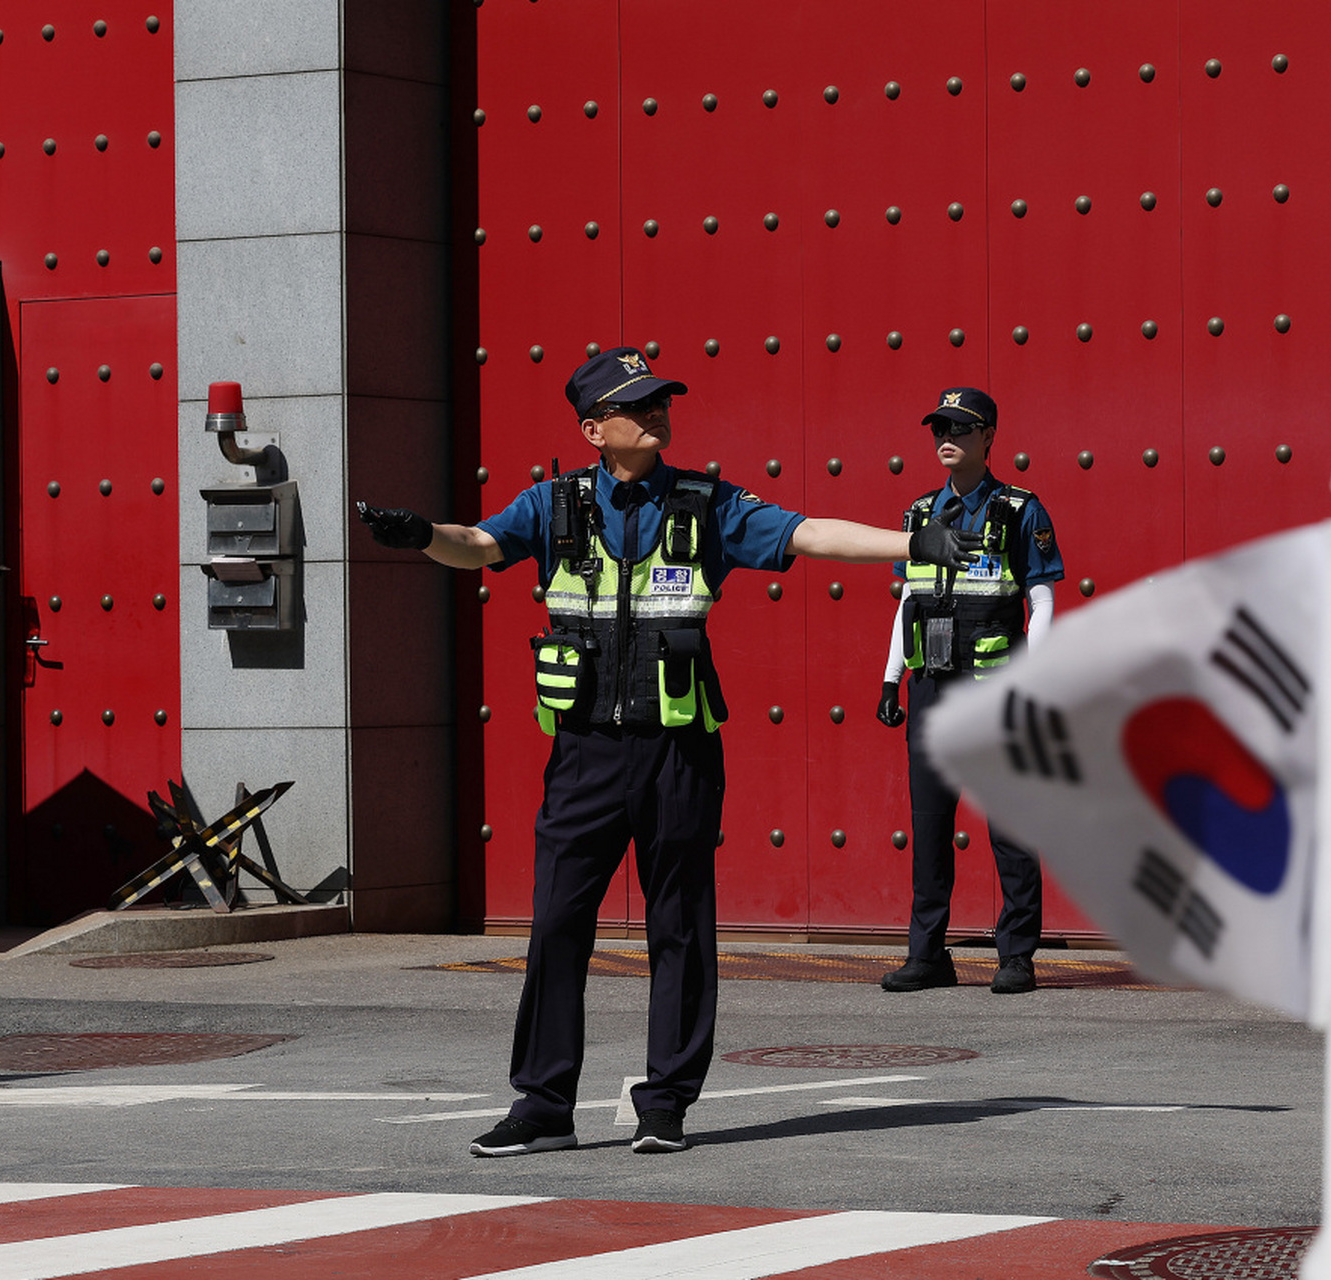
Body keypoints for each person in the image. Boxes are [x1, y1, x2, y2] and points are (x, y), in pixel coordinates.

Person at [358, 346, 981, 1157]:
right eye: (635, 404)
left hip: (678, 751)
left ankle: (666, 1106)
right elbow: (476, 544)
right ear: (592, 429)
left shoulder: (704, 502)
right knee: (556, 928)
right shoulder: (551, 505)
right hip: (582, 754)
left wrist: (911, 547)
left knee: (679, 927)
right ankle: (542, 1106)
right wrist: (419, 537)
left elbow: (807, 531)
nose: (655, 413)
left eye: (660, 401)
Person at [875, 388, 1064, 995]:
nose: (944, 437)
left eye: (959, 427)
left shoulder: (1019, 509)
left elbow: (1040, 596)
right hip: (932, 684)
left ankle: (1017, 955)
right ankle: (928, 953)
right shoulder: (919, 512)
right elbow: (910, 598)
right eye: (937, 428)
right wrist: (890, 677)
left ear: (989, 437)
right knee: (929, 826)